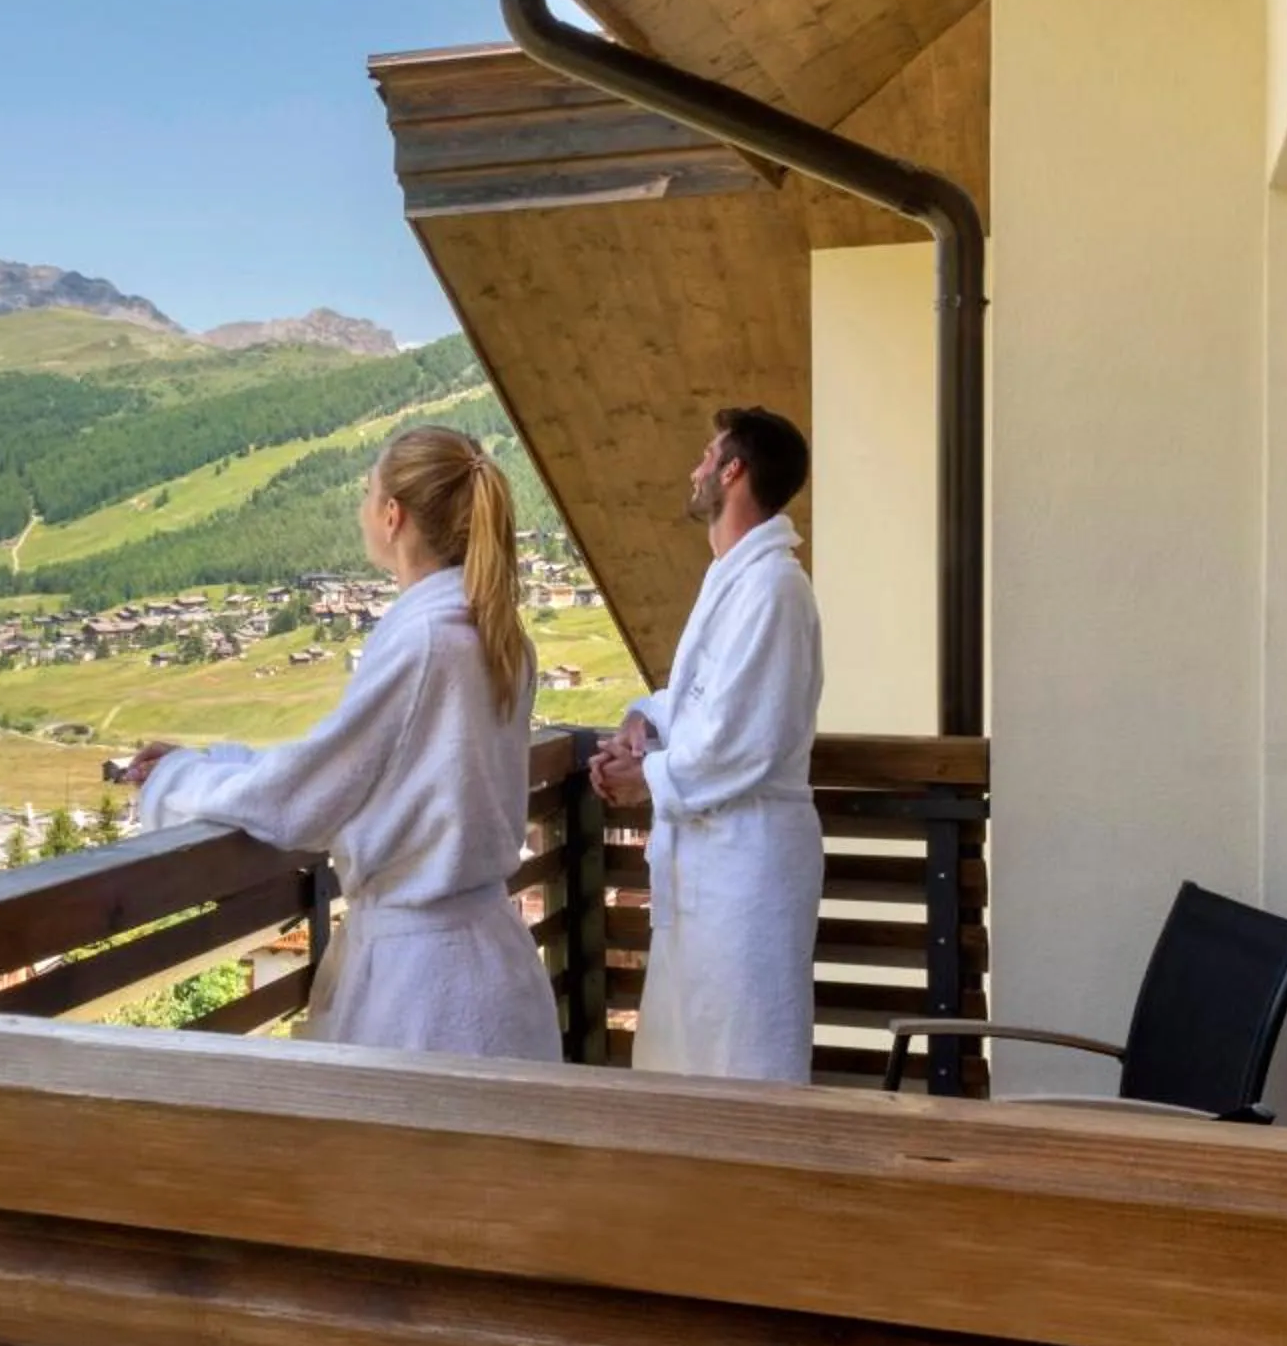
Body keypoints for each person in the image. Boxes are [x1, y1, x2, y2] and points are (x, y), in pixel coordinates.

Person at [118, 425, 558, 1062]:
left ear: (391, 515)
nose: (362, 510)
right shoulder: (493, 634)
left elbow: (303, 797)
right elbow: (365, 766)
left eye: (366, 494)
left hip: (427, 996)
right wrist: (217, 760)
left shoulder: (426, 642)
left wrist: (174, 782)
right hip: (491, 964)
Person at [591, 407, 824, 1082]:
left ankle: (756, 1185)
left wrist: (647, 780)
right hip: (708, 861)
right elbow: (708, 702)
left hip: (747, 867)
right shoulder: (734, 577)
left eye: (706, 455)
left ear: (733, 470)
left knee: (748, 1053)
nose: (694, 470)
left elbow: (745, 738)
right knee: (687, 1050)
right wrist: (646, 723)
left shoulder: (775, 589)